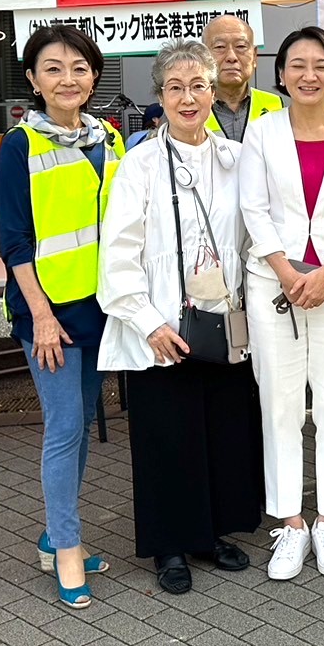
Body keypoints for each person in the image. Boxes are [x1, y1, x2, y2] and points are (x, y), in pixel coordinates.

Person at [98, 39, 263, 596]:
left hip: (223, 323)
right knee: (167, 437)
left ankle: (210, 533)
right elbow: (116, 254)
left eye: (199, 86)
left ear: (215, 94)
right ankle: (170, 544)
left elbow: (256, 238)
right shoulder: (137, 165)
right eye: (175, 87)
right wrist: (147, 322)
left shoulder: (238, 160)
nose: (188, 97)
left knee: (221, 430)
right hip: (163, 324)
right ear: (160, 98)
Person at [0, 24, 126, 609]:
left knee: (80, 427)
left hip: (103, 309)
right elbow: (14, 240)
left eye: (78, 67)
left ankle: (54, 536)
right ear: (32, 79)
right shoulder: (20, 145)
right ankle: (67, 549)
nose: (67, 78)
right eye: (53, 68)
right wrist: (42, 316)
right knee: (65, 427)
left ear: (94, 75)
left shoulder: (111, 139)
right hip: (49, 314)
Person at [240, 26, 324, 581]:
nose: (308, 75)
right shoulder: (262, 133)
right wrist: (286, 271)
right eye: (296, 64)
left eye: (320, 65)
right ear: (279, 75)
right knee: (279, 403)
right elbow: (254, 208)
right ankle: (291, 524)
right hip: (273, 283)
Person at [204, 15, 282, 142]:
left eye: (240, 46)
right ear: (204, 56)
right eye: (219, 47)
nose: (231, 57)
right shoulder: (190, 109)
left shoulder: (276, 105)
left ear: (255, 56)